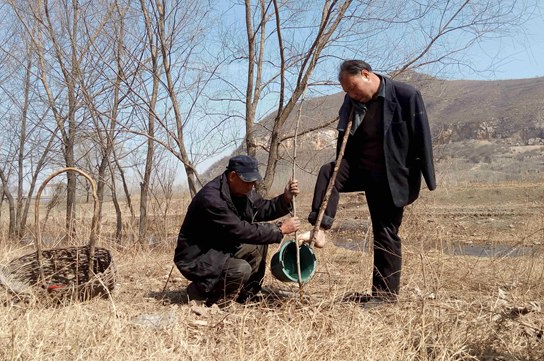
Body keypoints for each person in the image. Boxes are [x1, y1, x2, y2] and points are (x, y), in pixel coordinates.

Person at [306, 60, 436, 302]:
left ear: (366, 74)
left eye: (354, 88)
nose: (352, 94)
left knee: (386, 232)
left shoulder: (406, 95)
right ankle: (320, 228)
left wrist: (426, 179)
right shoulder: (352, 103)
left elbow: (422, 137)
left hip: (392, 176)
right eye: (347, 92)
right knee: (329, 172)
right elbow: (345, 136)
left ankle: (384, 297)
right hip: (361, 168)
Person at [174, 155, 301, 305]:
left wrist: (285, 198)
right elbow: (240, 230)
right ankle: (201, 291)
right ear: (233, 176)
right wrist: (279, 230)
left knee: (259, 243)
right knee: (240, 269)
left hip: (221, 246)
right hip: (199, 256)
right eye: (248, 182)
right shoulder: (212, 199)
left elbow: (260, 209)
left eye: (254, 182)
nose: (252, 186)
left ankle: (247, 294)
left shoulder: (243, 190)